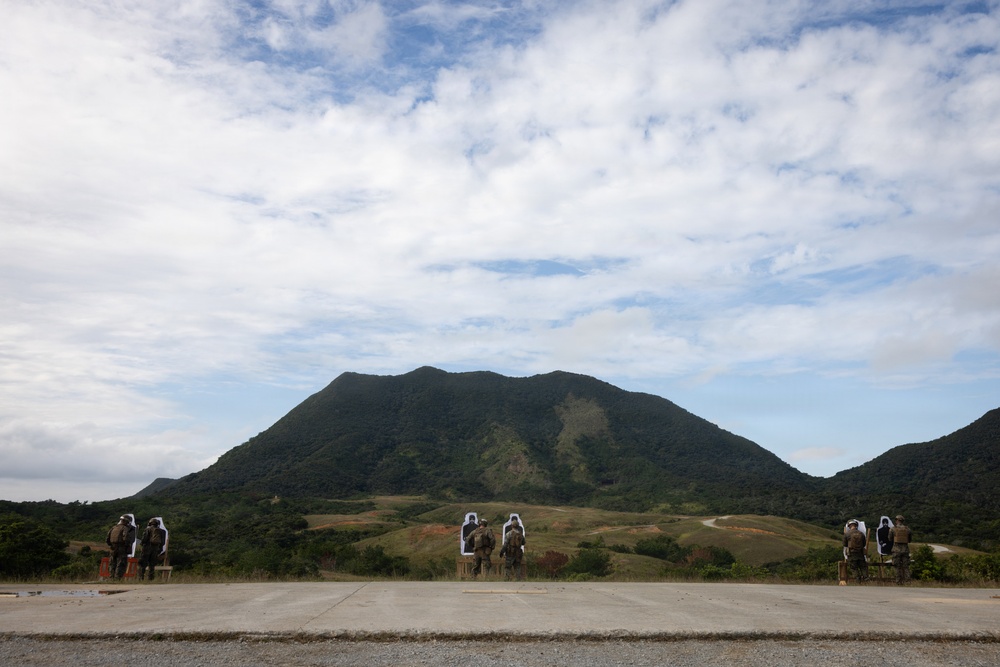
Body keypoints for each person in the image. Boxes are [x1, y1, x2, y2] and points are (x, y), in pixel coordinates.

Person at [105, 515, 136, 579]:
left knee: (112, 563)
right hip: (121, 548)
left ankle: (111, 577)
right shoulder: (125, 528)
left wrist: (111, 545)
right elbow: (126, 538)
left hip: (113, 548)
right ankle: (117, 578)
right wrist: (127, 545)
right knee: (121, 563)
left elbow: (107, 539)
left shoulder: (113, 528)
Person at [888, 514, 913, 584]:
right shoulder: (908, 529)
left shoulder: (893, 529)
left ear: (896, 520)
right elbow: (910, 540)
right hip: (905, 550)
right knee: (906, 567)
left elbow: (889, 539)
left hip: (896, 550)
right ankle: (908, 581)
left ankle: (898, 581)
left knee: (897, 567)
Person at [499, 516, 526, 580]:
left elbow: (505, 544)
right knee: (517, 567)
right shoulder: (520, 534)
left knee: (508, 567)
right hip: (518, 553)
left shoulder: (509, 534)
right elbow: (523, 543)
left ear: (512, 526)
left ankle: (507, 579)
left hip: (510, 552)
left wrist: (502, 552)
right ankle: (518, 579)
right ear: (517, 526)